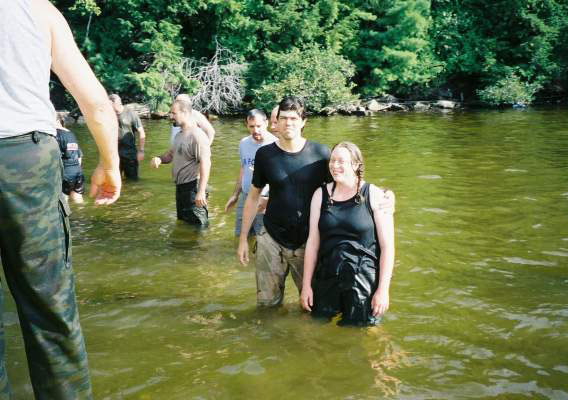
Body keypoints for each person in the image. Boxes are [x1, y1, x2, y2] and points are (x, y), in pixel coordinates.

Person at [0, 0, 121, 398]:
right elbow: (97, 103)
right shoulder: (38, 10)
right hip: (26, 159)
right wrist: (109, 163)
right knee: (49, 305)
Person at [237, 96, 330, 307]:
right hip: (271, 238)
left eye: (294, 118)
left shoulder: (321, 154)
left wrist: (380, 195)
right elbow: (253, 197)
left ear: (303, 121)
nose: (289, 123)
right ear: (276, 122)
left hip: (309, 241)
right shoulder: (265, 155)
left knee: (312, 305)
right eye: (284, 118)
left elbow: (343, 189)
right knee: (267, 306)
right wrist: (243, 239)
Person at [300, 142, 395, 326]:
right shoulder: (320, 195)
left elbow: (387, 247)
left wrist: (383, 290)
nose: (335, 166)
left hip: (363, 279)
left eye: (341, 161)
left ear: (356, 165)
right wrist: (306, 286)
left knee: (364, 334)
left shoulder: (374, 195)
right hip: (327, 275)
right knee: (316, 328)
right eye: (332, 160)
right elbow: (313, 242)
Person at [151, 99, 211, 225]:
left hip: (193, 188)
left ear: (185, 113)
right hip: (181, 188)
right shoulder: (179, 135)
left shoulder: (197, 136)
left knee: (199, 226)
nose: (170, 116)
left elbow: (206, 163)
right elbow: (170, 155)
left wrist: (200, 192)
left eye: (173, 113)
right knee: (183, 224)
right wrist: (160, 159)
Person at [225, 109, 277, 236]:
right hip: (245, 195)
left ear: (266, 123)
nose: (256, 130)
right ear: (246, 125)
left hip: (264, 198)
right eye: (252, 126)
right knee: (241, 235)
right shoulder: (244, 143)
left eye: (259, 126)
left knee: (261, 238)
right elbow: (243, 168)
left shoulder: (275, 144)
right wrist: (235, 195)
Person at [109, 93, 146, 180]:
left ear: (116, 103)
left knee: (132, 181)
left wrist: (141, 151)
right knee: (115, 180)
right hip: (115, 154)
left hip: (130, 154)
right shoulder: (109, 115)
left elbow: (142, 133)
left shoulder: (131, 113)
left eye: (109, 104)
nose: (108, 107)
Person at [55, 114, 84, 204]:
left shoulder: (54, 134)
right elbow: (79, 156)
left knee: (63, 202)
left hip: (65, 174)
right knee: (78, 201)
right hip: (77, 172)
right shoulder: (70, 134)